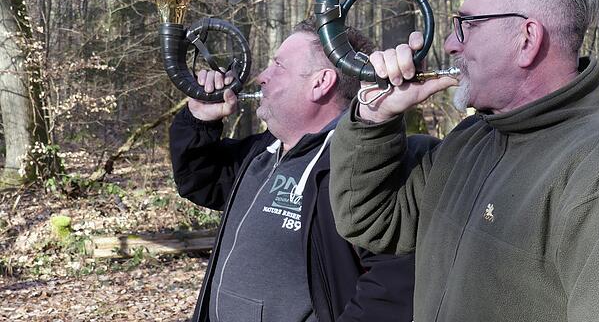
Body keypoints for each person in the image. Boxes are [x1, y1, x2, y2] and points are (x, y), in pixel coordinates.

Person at [328, 0, 599, 321]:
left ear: (527, 40)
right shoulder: (470, 140)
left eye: (466, 25)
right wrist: (376, 117)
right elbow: (370, 222)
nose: (452, 44)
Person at [170, 19, 433, 322]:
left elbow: (393, 287)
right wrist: (199, 120)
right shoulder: (265, 151)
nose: (261, 78)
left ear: (321, 83)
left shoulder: (362, 167)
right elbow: (199, 179)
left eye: (278, 66)